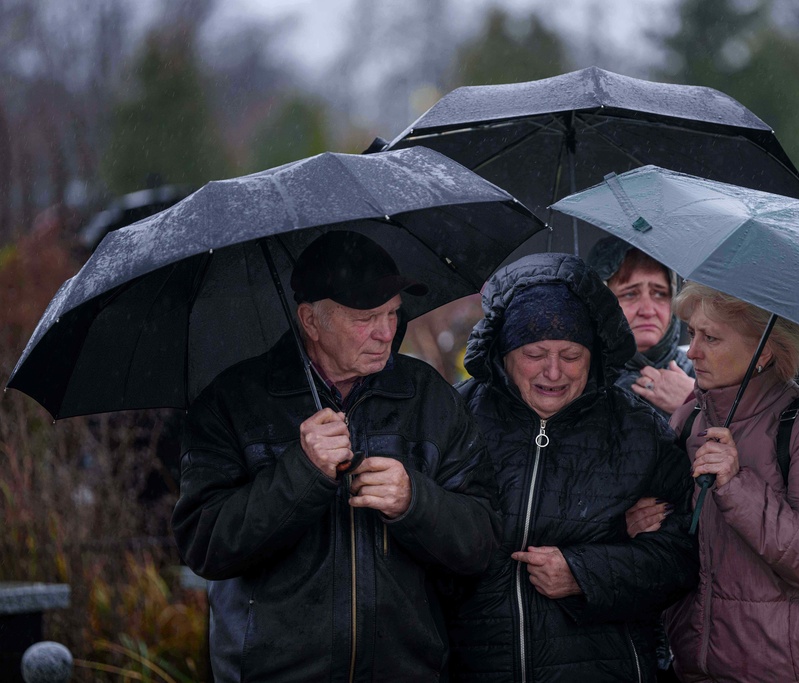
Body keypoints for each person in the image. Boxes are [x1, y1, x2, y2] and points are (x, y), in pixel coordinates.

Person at [172, 230, 501, 683]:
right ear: (310, 321)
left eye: (392, 313)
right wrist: (301, 473)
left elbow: (483, 542)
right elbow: (205, 544)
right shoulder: (233, 403)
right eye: (366, 318)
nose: (386, 333)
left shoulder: (427, 398)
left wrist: (415, 503)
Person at [445, 252, 700, 682]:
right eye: (534, 352)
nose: (553, 371)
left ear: (592, 353)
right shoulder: (456, 417)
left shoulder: (637, 431)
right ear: (505, 352)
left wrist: (585, 573)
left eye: (571, 354)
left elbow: (683, 557)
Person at [657, 281, 799, 682]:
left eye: (711, 337)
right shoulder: (690, 419)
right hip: (704, 669)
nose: (692, 351)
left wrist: (736, 484)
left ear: (763, 351)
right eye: (692, 333)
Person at [586, 235, 695, 418]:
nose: (648, 310)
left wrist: (695, 405)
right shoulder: (575, 379)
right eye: (630, 294)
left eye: (660, 293)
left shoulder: (707, 374)